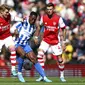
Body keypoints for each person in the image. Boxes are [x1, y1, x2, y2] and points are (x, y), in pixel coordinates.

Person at [10, 11, 52, 83]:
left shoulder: (33, 28)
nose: (33, 20)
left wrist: (35, 39)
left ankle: (44, 77)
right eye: (32, 18)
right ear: (29, 17)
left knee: (34, 59)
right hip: (17, 43)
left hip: (25, 44)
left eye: (34, 19)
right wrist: (14, 31)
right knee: (23, 54)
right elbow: (11, 29)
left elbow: (31, 36)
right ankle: (19, 73)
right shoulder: (22, 22)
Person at [36, 3, 66, 82]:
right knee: (39, 54)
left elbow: (63, 29)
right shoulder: (43, 17)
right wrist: (37, 36)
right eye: (48, 9)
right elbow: (39, 25)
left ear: (53, 10)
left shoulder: (58, 18)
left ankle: (62, 76)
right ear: (46, 10)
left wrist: (64, 42)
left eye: (50, 9)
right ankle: (42, 75)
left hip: (55, 41)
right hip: (46, 40)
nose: (49, 11)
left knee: (60, 60)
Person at [0, 4, 17, 76]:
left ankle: (13, 70)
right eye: (6, 12)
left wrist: (22, 19)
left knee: (13, 50)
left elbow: (15, 18)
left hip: (7, 36)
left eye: (8, 12)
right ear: (1, 12)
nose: (8, 13)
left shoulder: (9, 16)